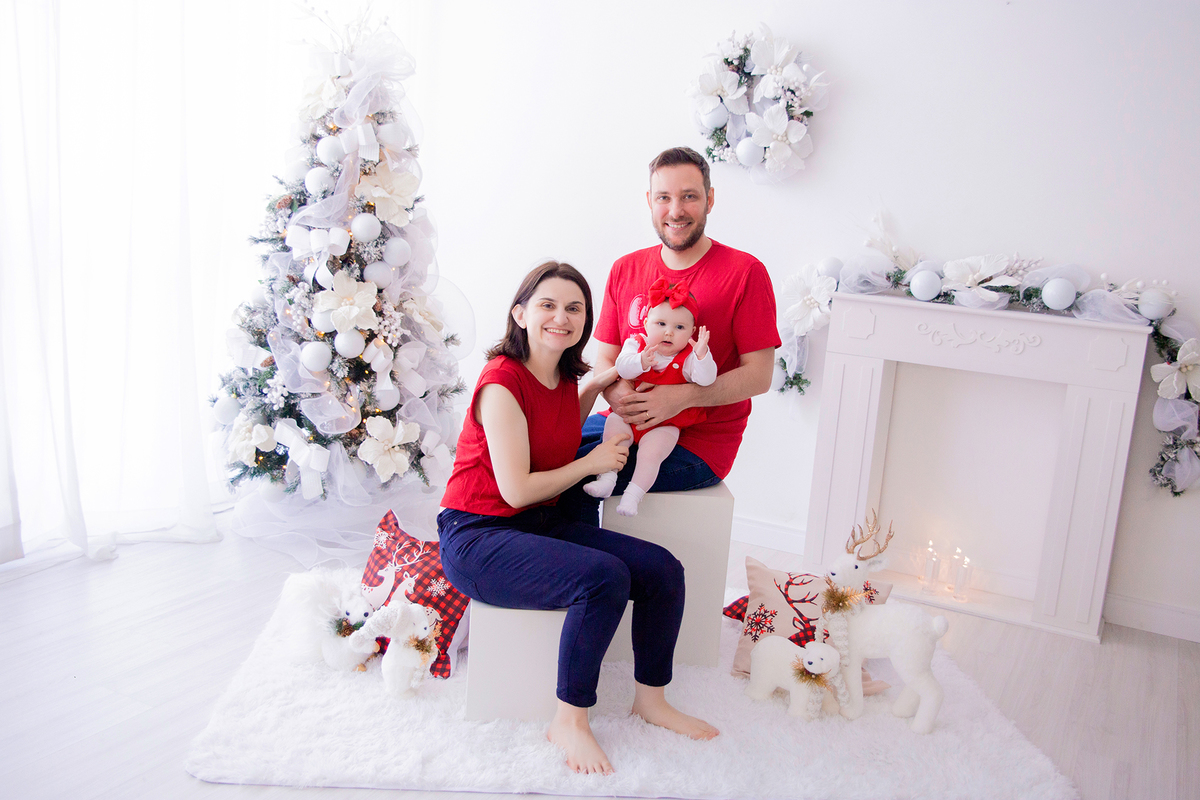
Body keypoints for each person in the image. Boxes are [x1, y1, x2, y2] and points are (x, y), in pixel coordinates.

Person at [436, 261, 719, 776]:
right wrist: (592, 463)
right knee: (602, 579)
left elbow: (567, 414)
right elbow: (516, 490)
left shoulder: (564, 375)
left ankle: (651, 700)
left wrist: (612, 376)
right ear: (520, 314)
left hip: (535, 522)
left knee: (662, 570)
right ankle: (568, 719)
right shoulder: (501, 383)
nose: (561, 318)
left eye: (574, 308)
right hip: (478, 535)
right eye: (547, 305)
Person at [561, 146, 780, 525]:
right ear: (650, 201)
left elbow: (759, 376)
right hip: (624, 422)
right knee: (546, 457)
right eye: (664, 197)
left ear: (710, 199)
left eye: (689, 196)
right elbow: (605, 360)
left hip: (699, 442)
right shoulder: (625, 268)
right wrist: (620, 396)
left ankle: (590, 563)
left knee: (572, 480)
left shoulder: (745, 272)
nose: (675, 210)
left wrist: (682, 397)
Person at [583, 276, 716, 516]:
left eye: (679, 327)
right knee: (613, 438)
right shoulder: (637, 344)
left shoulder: (688, 357)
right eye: (661, 324)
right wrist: (640, 361)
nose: (669, 332)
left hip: (664, 423)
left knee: (651, 455)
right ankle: (606, 479)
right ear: (646, 323)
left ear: (692, 332)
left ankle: (633, 496)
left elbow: (706, 380)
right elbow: (622, 367)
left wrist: (702, 356)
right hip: (627, 416)